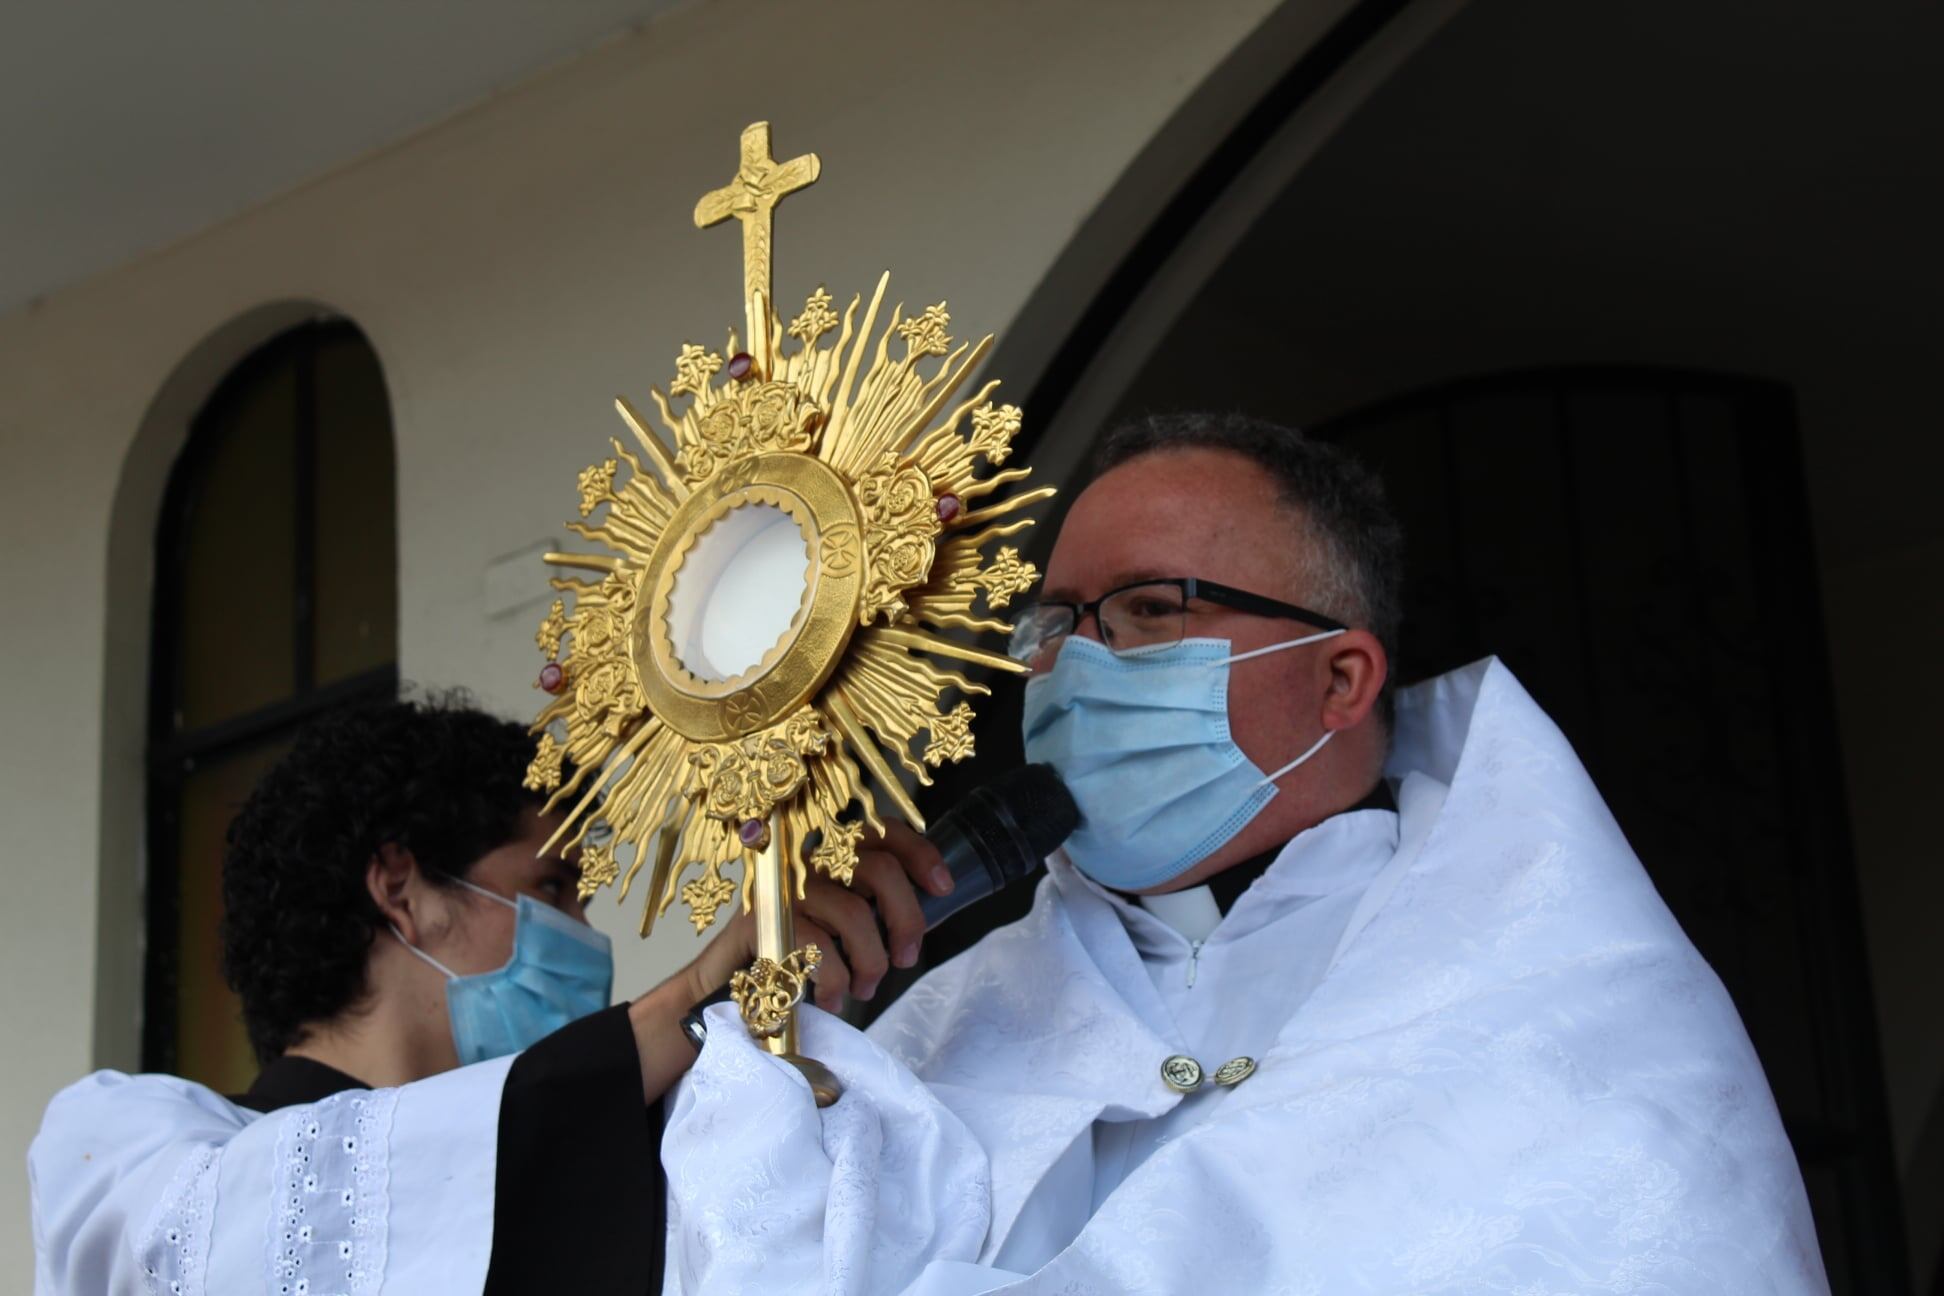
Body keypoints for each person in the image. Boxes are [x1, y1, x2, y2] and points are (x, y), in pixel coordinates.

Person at [661, 413, 1830, 1293]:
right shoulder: (938, 1026)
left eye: (1150, 610)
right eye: (1055, 622)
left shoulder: (1568, 998)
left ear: (1339, 677)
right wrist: (749, 1034)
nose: (1073, 662)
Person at [28, 696, 945, 1295]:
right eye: (550, 892)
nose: (588, 941)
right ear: (401, 889)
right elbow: (234, 1246)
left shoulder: (630, 1146)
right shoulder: (129, 1140)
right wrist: (693, 996)